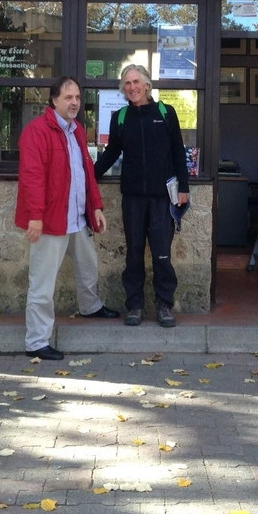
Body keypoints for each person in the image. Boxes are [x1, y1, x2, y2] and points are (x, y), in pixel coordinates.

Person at [15, 76, 120, 361]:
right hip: (50, 220)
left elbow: (86, 171)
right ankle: (36, 341)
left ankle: (90, 307)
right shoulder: (37, 132)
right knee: (42, 283)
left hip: (77, 217)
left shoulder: (75, 131)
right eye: (68, 97)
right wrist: (35, 217)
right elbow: (32, 178)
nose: (74, 102)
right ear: (54, 100)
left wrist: (95, 206)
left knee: (88, 266)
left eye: (77, 97)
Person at [94, 64, 190, 328]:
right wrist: (89, 175)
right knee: (134, 253)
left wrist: (184, 187)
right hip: (133, 198)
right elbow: (112, 152)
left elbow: (178, 152)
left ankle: (164, 305)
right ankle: (135, 305)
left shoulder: (166, 113)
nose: (132, 87)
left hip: (162, 198)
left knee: (162, 253)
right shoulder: (121, 117)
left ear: (147, 85)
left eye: (137, 82)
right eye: (127, 83)